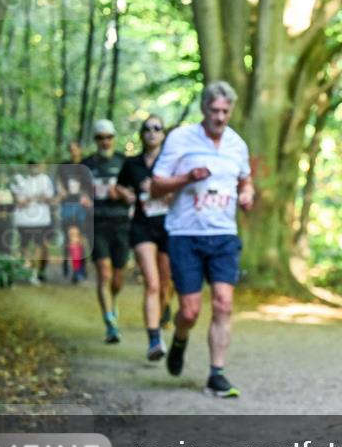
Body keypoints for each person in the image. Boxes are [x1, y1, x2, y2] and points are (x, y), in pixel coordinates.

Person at [151, 81, 254, 398]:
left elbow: (245, 180)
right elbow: (155, 186)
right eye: (214, 110)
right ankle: (180, 338)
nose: (220, 117)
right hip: (185, 234)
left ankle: (216, 374)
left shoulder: (237, 144)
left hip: (223, 235)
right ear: (203, 109)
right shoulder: (181, 139)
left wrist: (247, 194)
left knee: (224, 303)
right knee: (190, 311)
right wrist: (186, 177)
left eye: (225, 111)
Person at [115, 115, 174, 361]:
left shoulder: (172, 162)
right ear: (141, 134)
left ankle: (164, 311)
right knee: (152, 283)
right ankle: (154, 340)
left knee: (165, 284)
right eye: (147, 129)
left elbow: (183, 189)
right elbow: (119, 186)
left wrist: (165, 192)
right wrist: (125, 195)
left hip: (169, 227)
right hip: (142, 227)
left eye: (157, 128)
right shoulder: (132, 164)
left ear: (163, 134)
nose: (152, 132)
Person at [82, 119, 131, 343]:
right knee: (104, 273)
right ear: (95, 140)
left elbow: (134, 194)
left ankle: (113, 302)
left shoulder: (124, 162)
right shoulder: (86, 165)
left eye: (109, 137)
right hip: (96, 225)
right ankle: (110, 322)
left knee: (118, 279)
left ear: (114, 138)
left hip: (121, 224)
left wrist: (121, 194)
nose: (105, 141)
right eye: (101, 138)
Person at [11, 162, 56, 285]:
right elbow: (17, 199)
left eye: (36, 164)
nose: (34, 167)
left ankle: (34, 273)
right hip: (23, 219)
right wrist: (32, 198)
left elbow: (48, 197)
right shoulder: (19, 178)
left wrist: (32, 198)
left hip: (41, 219)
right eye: (31, 164)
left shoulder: (45, 179)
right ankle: (26, 269)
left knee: (38, 246)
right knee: (24, 246)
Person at [57, 141, 93, 279]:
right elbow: (59, 183)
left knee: (82, 238)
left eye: (75, 148)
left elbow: (92, 186)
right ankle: (75, 269)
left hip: (84, 207)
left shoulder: (87, 165)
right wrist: (63, 193)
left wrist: (87, 197)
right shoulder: (64, 166)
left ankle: (81, 266)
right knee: (72, 236)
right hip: (68, 205)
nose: (73, 151)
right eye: (70, 149)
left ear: (80, 149)